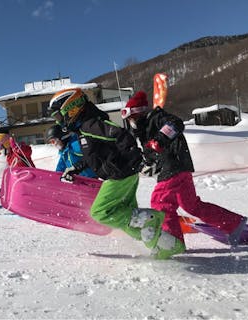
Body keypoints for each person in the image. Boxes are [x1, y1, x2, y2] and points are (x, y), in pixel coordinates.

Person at [49, 88, 181, 259]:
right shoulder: (84, 129)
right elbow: (95, 157)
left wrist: (138, 162)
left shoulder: (91, 125)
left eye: (59, 117)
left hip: (120, 175)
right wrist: (77, 168)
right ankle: (168, 245)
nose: (59, 122)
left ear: (71, 108)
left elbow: (122, 135)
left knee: (100, 212)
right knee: (126, 219)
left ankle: (151, 219)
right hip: (123, 173)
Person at [121, 90, 248, 247]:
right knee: (191, 205)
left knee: (161, 203)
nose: (131, 123)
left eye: (132, 118)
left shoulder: (156, 118)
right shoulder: (143, 129)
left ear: (139, 113)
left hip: (174, 165)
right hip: (177, 167)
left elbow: (176, 123)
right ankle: (234, 223)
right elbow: (151, 152)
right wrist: (147, 164)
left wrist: (160, 140)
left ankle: (172, 244)